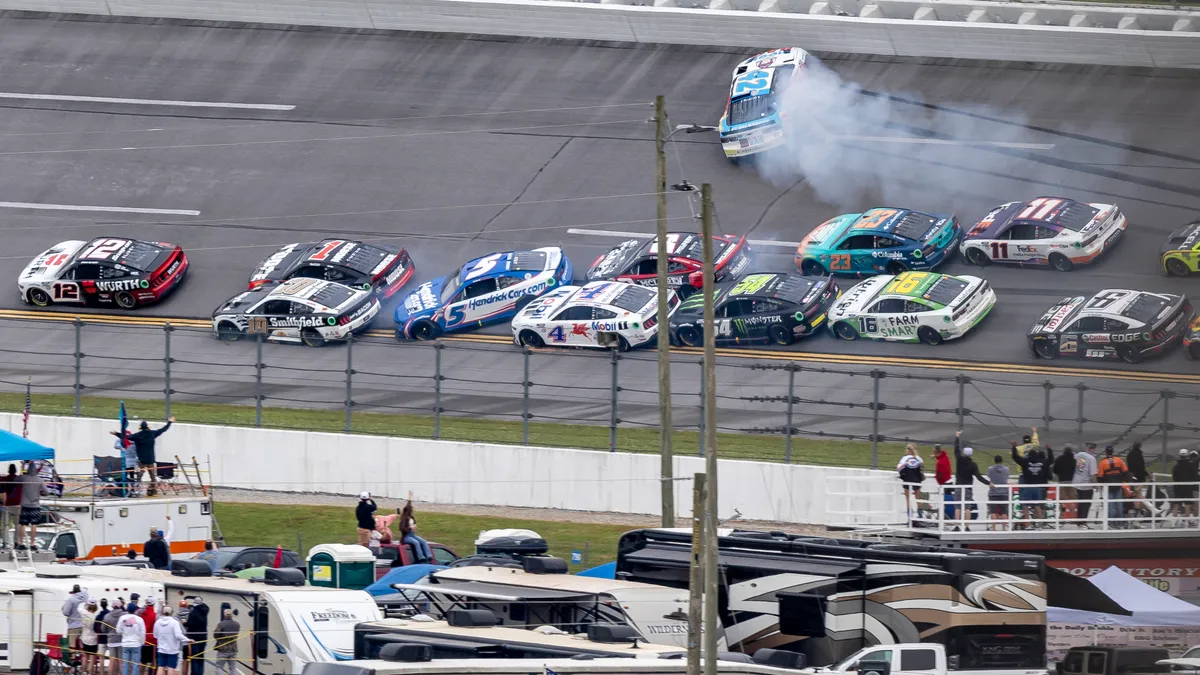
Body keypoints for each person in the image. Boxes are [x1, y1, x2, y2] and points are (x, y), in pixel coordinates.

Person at [952, 432, 991, 528]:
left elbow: (956, 449)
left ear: (964, 453)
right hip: (968, 488)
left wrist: (957, 437)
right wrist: (988, 483)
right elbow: (979, 477)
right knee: (967, 508)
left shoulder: (959, 460)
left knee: (957, 507)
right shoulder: (973, 465)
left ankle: (956, 526)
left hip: (958, 486)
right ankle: (966, 526)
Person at [128, 418, 176, 495]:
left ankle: (136, 490)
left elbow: (126, 437)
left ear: (140, 428)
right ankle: (153, 490)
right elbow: (163, 429)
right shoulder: (152, 434)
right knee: (153, 476)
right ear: (148, 427)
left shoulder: (137, 436)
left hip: (142, 460)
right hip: (150, 460)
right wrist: (170, 422)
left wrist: (116, 434)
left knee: (139, 476)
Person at [1012, 442, 1053, 528]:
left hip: (1028, 486)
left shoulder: (1025, 461)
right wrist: (1049, 449)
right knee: (1037, 506)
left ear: (1028, 455)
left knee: (1025, 506)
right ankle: (1040, 524)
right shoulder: (1042, 462)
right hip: (1038, 488)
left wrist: (1014, 447)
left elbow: (1015, 457)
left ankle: (1028, 525)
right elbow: (1051, 459)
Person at [1097, 445, 1130, 527]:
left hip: (1108, 487)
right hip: (1118, 485)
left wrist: (1102, 485)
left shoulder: (1102, 462)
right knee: (1119, 505)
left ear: (1106, 452)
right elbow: (1126, 472)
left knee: (1110, 506)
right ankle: (1120, 523)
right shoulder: (1119, 460)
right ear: (1113, 451)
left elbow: (1100, 476)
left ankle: (1111, 524)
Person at [153, 605, 189, 675]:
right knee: (171, 668)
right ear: (172, 612)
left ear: (163, 612)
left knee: (161, 667)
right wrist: (187, 640)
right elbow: (178, 635)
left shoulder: (157, 622)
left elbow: (155, 635)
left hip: (161, 649)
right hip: (172, 650)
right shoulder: (174, 622)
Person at [16, 462, 43, 551]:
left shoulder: (24, 478)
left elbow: (16, 480)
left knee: (22, 524)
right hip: (35, 506)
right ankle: (32, 544)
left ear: (28, 469)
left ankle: (21, 543)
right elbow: (46, 491)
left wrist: (22, 467)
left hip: (24, 505)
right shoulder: (40, 480)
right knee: (34, 524)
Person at [1072, 443, 1098, 526]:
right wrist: (1096, 485)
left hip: (1076, 483)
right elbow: (1093, 474)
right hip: (1086, 485)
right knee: (1086, 504)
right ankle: (1083, 522)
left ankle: (1079, 521)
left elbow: (1074, 460)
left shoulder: (1079, 454)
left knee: (1080, 504)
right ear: (1093, 449)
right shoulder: (1092, 459)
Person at [116, 605, 147, 675]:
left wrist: (124, 632)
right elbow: (143, 633)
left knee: (125, 664)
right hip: (136, 644)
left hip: (125, 644)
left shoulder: (122, 618)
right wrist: (142, 643)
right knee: (135, 665)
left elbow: (118, 630)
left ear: (127, 609)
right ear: (135, 610)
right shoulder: (139, 619)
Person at [895, 445, 924, 519]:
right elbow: (922, 469)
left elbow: (898, 468)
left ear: (907, 450)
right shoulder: (918, 458)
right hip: (917, 480)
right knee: (918, 499)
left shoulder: (904, 458)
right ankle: (920, 516)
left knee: (908, 499)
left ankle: (910, 518)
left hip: (907, 480)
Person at [63, 583, 89, 661]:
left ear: (73, 591)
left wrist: (63, 608)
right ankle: (84, 661)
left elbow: (66, 612)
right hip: (84, 625)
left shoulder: (71, 599)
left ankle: (73, 661)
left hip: (73, 626)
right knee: (81, 644)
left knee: (72, 645)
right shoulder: (85, 598)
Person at [1171, 449, 1198, 522]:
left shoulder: (1176, 466)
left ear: (1179, 456)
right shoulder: (1191, 466)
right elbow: (1194, 477)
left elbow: (1174, 477)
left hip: (1178, 487)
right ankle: (1186, 523)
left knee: (1176, 505)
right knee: (1187, 506)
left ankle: (1173, 523)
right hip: (1188, 487)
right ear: (1187, 456)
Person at [110, 430, 140, 496]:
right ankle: (131, 489)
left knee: (125, 476)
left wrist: (121, 442)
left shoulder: (125, 443)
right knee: (131, 476)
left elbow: (116, 446)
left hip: (126, 462)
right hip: (132, 463)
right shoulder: (134, 442)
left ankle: (124, 489)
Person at [183, 598, 208, 675]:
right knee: (201, 656)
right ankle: (200, 673)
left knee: (194, 657)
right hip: (203, 637)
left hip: (194, 638)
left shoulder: (193, 613)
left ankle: (194, 673)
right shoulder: (205, 612)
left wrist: (184, 623)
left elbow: (190, 624)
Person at [986, 455, 1010, 530]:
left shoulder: (990, 469)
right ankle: (1004, 528)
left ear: (994, 461)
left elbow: (989, 476)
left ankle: (994, 528)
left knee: (993, 512)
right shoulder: (1006, 469)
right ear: (1002, 461)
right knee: (1004, 512)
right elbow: (1007, 477)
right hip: (1004, 492)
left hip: (993, 493)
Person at [212, 608, 240, 675]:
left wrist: (220, 639)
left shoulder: (221, 624)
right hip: (233, 649)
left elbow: (215, 634)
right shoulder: (237, 624)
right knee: (232, 668)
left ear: (224, 615)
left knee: (219, 667)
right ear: (232, 615)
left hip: (223, 649)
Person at [1053, 444, 1077, 519]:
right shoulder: (1075, 459)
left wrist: (1060, 474)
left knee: (1062, 500)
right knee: (1072, 500)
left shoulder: (1059, 459)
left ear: (1064, 451)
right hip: (1072, 482)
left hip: (1062, 481)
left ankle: (1062, 515)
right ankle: (1072, 517)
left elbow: (1055, 470)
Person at [105, 600, 128, 675]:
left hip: (111, 641)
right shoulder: (125, 615)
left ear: (112, 606)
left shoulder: (107, 616)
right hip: (121, 640)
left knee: (112, 661)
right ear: (120, 605)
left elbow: (103, 629)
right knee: (121, 661)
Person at [0, 463, 19, 548]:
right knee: (17, 525)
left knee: (5, 524)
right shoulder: (18, 479)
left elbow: (4, 492)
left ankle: (5, 542)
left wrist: (4, 503)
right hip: (17, 504)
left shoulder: (6, 479)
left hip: (8, 504)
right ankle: (16, 542)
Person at [932, 444, 953, 520]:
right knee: (948, 501)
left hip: (944, 483)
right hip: (949, 481)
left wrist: (936, 477)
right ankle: (947, 515)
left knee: (943, 501)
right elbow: (941, 457)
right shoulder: (946, 457)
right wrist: (935, 456)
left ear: (936, 452)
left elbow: (939, 475)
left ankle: (943, 517)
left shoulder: (940, 463)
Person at [80, 600, 100, 675]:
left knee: (85, 657)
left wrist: (84, 603)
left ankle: (84, 672)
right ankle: (89, 673)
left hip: (85, 639)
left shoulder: (84, 615)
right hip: (93, 640)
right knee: (92, 658)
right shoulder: (95, 617)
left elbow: (80, 608)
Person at [140, 597, 159, 675]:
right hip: (153, 642)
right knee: (153, 662)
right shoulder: (155, 615)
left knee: (143, 662)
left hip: (144, 641)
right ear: (153, 604)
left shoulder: (142, 615)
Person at [95, 599, 111, 675]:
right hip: (110, 640)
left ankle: (101, 673)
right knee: (112, 659)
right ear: (107, 604)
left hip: (101, 640)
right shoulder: (110, 614)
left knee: (101, 659)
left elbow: (95, 629)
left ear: (101, 605)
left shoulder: (98, 616)